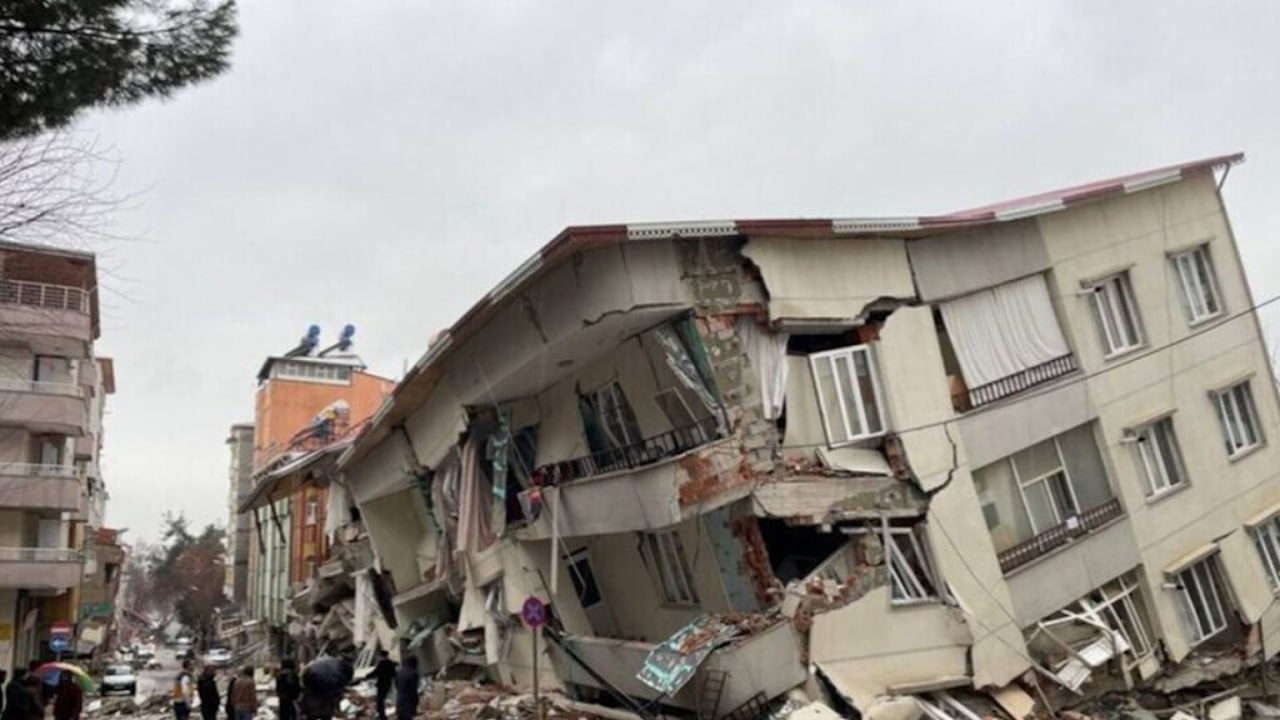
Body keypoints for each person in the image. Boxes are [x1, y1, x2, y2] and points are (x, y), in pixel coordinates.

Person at [370, 653, 396, 720]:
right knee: (383, 699)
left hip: (381, 684)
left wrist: (367, 676)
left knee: (380, 700)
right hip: (388, 684)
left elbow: (375, 672)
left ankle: (382, 715)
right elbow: (394, 674)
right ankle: (381, 713)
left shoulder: (381, 664)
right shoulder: (390, 663)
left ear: (381, 656)